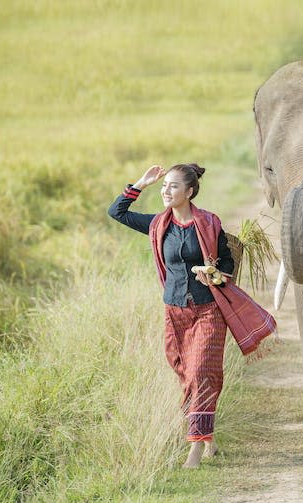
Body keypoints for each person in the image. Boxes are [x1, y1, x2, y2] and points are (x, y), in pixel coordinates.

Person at [108, 163, 235, 468]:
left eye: (173, 186)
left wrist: (214, 276)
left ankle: (194, 449)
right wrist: (142, 183)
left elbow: (228, 265)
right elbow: (117, 212)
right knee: (185, 374)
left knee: (201, 374)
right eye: (165, 185)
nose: (166, 191)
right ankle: (209, 439)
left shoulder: (209, 223)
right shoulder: (157, 225)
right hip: (174, 312)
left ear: (190, 192)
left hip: (208, 310)